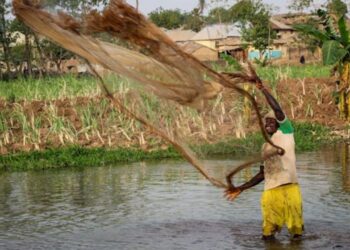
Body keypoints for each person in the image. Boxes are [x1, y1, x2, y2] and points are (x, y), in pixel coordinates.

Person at [224, 81, 304, 240]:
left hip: (290, 188)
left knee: (296, 232)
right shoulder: (266, 147)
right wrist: (241, 188)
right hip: (271, 191)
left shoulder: (287, 133)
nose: (267, 124)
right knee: (267, 234)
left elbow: (278, 109)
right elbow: (262, 174)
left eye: (271, 121)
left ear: (279, 124)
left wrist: (262, 89)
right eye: (266, 122)